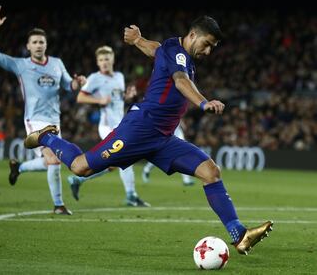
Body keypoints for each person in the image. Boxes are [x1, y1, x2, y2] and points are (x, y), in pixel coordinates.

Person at [24, 16, 273, 254]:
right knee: (80, 168)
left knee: (210, 171)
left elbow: (155, 49)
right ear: (193, 34)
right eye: (207, 44)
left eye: (213, 47)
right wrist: (203, 102)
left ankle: (239, 235)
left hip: (162, 139)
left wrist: (137, 40)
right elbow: (180, 81)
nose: (208, 51)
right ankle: (47, 137)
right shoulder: (179, 56)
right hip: (139, 130)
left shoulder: (172, 48)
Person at [0, 6, 86, 215]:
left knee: (49, 161)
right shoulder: (21, 65)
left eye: (41, 42)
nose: (38, 45)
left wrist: (79, 82)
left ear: (46, 45)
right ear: (28, 46)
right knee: (54, 160)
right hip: (35, 120)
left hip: (54, 121)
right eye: (35, 42)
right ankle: (58, 205)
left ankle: (19, 168)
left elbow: (70, 86)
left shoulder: (57, 64)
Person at [67, 46, 150, 207]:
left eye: (107, 59)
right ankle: (131, 195)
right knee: (126, 157)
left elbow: (118, 99)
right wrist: (99, 101)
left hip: (120, 123)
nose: (104, 62)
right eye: (101, 60)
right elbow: (81, 98)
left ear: (112, 60)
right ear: (97, 63)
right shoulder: (94, 78)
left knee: (112, 164)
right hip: (106, 125)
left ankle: (77, 179)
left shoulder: (119, 76)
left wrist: (128, 96)